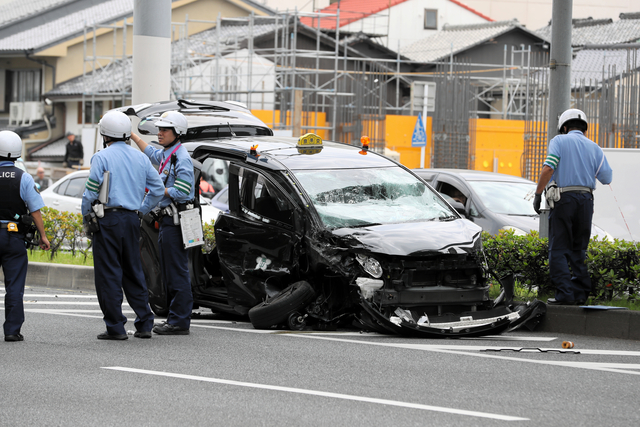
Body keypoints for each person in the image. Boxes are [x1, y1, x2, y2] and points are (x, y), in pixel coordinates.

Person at [81, 111, 164, 340]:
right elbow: (157, 189)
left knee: (109, 274)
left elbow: (90, 192)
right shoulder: (140, 158)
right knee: (134, 271)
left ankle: (116, 328)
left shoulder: (101, 157)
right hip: (131, 220)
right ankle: (145, 323)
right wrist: (141, 210)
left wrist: (86, 216)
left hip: (108, 219)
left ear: (105, 134)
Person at [533, 108, 613, 306]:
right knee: (579, 249)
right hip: (586, 200)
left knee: (559, 248)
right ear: (584, 128)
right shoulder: (595, 147)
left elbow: (549, 167)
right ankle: (580, 294)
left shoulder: (559, 141)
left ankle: (565, 295)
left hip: (564, 199)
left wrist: (537, 193)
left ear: (565, 127)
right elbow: (607, 177)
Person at [131, 111, 195, 335]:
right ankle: (175, 317)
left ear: (177, 133)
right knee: (169, 269)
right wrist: (131, 134)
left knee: (176, 270)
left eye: (164, 130)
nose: (159, 133)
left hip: (176, 222)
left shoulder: (181, 158)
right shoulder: (169, 153)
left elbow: (183, 191)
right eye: (159, 129)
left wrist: (160, 189)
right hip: (167, 220)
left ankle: (179, 322)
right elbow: (150, 153)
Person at [0, 130, 50, 342]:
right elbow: (36, 210)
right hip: (13, 237)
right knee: (14, 285)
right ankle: (12, 331)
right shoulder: (24, 177)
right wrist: (43, 236)